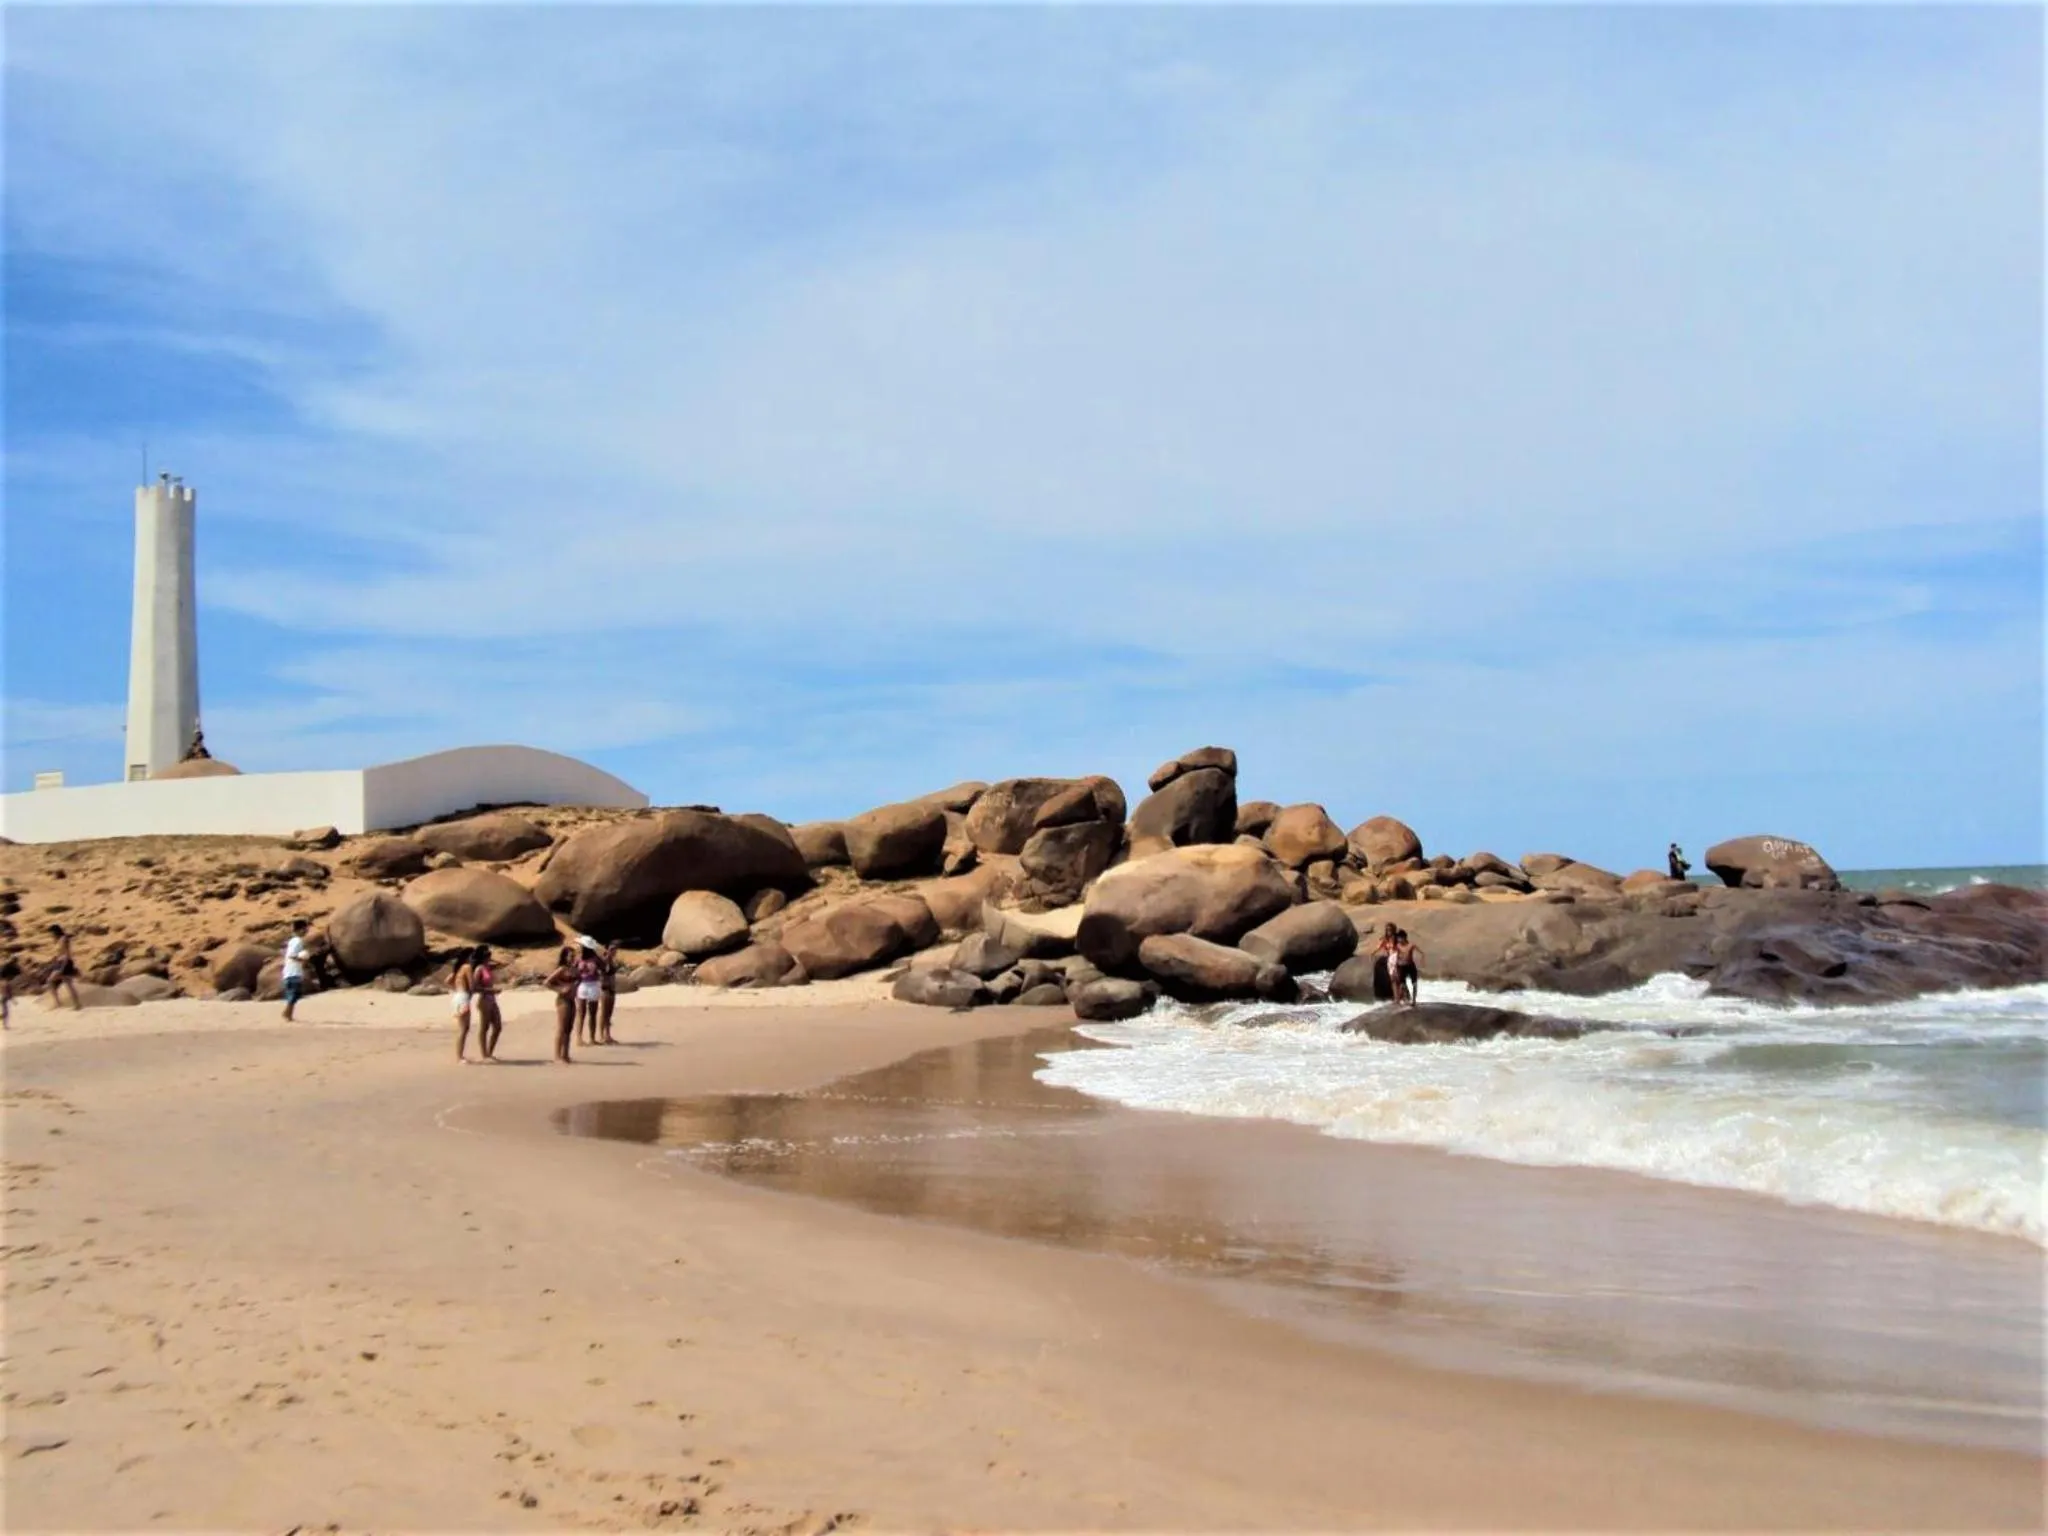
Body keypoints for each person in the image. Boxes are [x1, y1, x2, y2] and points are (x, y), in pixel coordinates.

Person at [542, 945, 579, 1064]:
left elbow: (578, 980)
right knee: (561, 1028)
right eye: (571, 956)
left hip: (572, 1000)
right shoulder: (562, 969)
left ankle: (565, 1055)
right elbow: (546, 982)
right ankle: (557, 1056)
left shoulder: (574, 969)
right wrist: (559, 989)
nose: (573, 958)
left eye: (574, 955)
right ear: (565, 957)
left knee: (569, 1028)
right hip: (563, 1001)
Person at [472, 947, 503, 1062]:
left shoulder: (488, 967)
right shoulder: (479, 969)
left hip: (492, 999)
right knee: (484, 1027)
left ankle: (489, 1052)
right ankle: (484, 1054)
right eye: (488, 955)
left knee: (498, 1027)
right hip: (484, 999)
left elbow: (501, 964)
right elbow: (474, 988)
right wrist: (491, 990)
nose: (489, 957)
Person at [573, 937, 604, 1047]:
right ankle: (579, 1038)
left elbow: (604, 967)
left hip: (593, 985)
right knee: (581, 1012)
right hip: (582, 985)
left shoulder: (595, 958)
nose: (580, 948)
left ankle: (592, 1038)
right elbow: (573, 970)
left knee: (593, 1013)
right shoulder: (578, 958)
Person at [44, 925, 81, 1011]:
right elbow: (58, 953)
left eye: (51, 933)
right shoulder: (57, 940)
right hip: (59, 962)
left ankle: (58, 1003)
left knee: (50, 980)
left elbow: (67, 954)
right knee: (68, 983)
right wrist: (53, 961)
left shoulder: (64, 939)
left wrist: (62, 968)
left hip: (65, 962)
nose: (50, 935)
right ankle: (77, 1004)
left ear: (55, 931)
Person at [448, 947, 475, 1062]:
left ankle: (460, 1055)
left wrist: (457, 987)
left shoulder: (458, 968)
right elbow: (472, 985)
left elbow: (447, 980)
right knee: (464, 1029)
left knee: (463, 1028)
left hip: (457, 996)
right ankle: (460, 1056)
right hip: (463, 997)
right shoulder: (467, 967)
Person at [280, 919, 310, 1022]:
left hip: (289, 971)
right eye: (306, 928)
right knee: (294, 994)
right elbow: (292, 955)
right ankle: (286, 1013)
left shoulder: (292, 940)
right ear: (301, 929)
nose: (307, 931)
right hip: (293, 972)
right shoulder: (298, 941)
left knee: (294, 994)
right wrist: (302, 958)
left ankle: (288, 1014)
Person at [596, 940, 621, 1045]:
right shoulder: (604, 961)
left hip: (612, 989)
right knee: (604, 1013)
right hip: (605, 989)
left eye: (615, 949)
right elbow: (601, 973)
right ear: (607, 950)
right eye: (611, 949)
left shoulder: (612, 961)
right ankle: (602, 1035)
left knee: (609, 1014)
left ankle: (608, 1034)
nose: (614, 951)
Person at [1374, 922, 1404, 1005]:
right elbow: (1378, 947)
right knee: (1392, 980)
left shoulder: (1397, 939)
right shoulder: (1385, 939)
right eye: (1387, 930)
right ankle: (1396, 998)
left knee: (1398, 978)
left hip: (1397, 958)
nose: (1388, 931)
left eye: (1390, 930)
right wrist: (1372, 954)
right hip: (1390, 960)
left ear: (1393, 930)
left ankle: (1401, 996)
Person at [1395, 929, 1423, 1006]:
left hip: (1410, 966)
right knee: (1402, 984)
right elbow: (1397, 956)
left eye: (1400, 938)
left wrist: (1422, 962)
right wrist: (1396, 966)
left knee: (1414, 983)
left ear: (1404, 937)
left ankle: (1414, 1000)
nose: (1398, 939)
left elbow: (1421, 953)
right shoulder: (1398, 946)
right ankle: (1400, 1000)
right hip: (1401, 966)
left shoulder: (1411, 945)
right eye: (1398, 938)